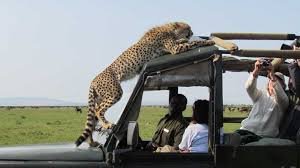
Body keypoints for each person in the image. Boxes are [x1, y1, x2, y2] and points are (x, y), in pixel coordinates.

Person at [239, 59, 289, 140]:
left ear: (282, 86)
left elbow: (281, 96)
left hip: (265, 135)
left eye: (277, 81)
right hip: (246, 130)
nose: (272, 83)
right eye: (270, 80)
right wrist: (256, 70)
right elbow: (249, 87)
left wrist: (272, 76)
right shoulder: (260, 95)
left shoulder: (283, 101)